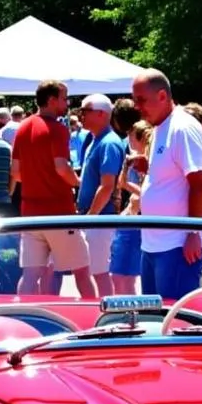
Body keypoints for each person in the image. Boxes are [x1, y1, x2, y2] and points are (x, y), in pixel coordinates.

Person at [10, 80, 95, 297]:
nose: (67, 104)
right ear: (51, 100)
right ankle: (96, 320)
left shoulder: (22, 128)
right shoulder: (57, 129)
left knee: (29, 276)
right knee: (82, 272)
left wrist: (37, 178)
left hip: (30, 214)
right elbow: (61, 167)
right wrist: (78, 182)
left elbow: (16, 172)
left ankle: (24, 318)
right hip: (59, 213)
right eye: (64, 98)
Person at [132, 68, 202, 298]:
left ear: (163, 96)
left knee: (174, 320)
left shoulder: (182, 127)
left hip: (177, 244)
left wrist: (194, 232)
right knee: (155, 318)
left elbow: (200, 183)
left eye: (141, 100)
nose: (137, 106)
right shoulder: (160, 127)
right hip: (155, 243)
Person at [76, 94, 126, 295]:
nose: (81, 116)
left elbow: (107, 186)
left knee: (99, 271)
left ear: (101, 114)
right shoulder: (97, 140)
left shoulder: (108, 143)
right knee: (93, 270)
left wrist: (90, 217)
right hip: (95, 217)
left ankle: (109, 316)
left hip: (100, 218)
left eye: (85, 111)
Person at [109, 120, 151, 294]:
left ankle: (128, 313)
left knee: (122, 277)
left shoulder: (149, 162)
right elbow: (122, 183)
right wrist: (126, 167)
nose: (128, 140)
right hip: (129, 220)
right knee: (120, 277)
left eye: (131, 136)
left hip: (135, 224)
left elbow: (146, 193)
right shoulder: (137, 161)